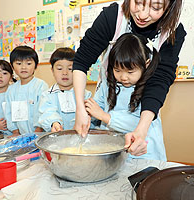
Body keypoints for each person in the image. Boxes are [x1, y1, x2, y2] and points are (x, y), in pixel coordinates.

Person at [73, 0, 186, 156]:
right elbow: (81, 61)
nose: (143, 14)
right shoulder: (112, 17)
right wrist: (82, 108)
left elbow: (160, 81)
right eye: (138, 2)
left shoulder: (173, 32)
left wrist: (140, 128)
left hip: (143, 149)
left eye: (156, 7)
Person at [85, 33, 166, 160]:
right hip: (115, 149)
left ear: (146, 64)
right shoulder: (108, 83)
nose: (123, 77)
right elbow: (97, 106)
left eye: (130, 72)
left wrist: (104, 116)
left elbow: (138, 124)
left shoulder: (151, 89)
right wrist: (88, 114)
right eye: (117, 70)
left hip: (144, 154)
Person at [36, 48, 91, 132]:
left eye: (70, 69)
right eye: (59, 68)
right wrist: (54, 123)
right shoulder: (47, 95)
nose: (65, 72)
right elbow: (47, 112)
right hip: (57, 139)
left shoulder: (85, 94)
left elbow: (91, 116)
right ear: (52, 71)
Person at [5, 46, 49, 137]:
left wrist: (38, 130)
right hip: (20, 136)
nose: (23, 67)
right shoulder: (11, 90)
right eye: (19, 63)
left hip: (39, 134)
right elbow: (8, 112)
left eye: (28, 63)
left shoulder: (41, 86)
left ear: (36, 66)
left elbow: (44, 110)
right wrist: (15, 131)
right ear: (12, 66)